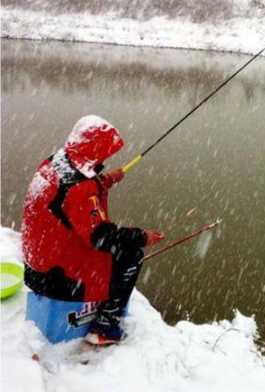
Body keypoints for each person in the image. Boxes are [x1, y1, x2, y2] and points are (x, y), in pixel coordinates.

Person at [22, 115, 164, 345]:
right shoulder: (80, 189)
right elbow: (102, 237)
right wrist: (141, 236)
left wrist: (104, 181)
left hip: (37, 262)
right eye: (101, 159)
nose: (102, 162)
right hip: (57, 277)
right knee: (131, 255)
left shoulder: (54, 161)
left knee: (120, 249)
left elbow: (67, 192)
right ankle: (106, 325)